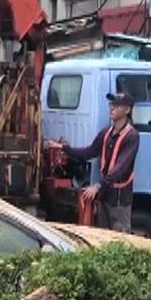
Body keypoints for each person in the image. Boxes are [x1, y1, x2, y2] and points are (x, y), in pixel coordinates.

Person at [47, 92, 140, 232]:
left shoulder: (132, 136)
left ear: (127, 110)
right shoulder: (106, 133)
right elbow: (89, 152)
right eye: (111, 104)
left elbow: (120, 168)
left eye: (116, 105)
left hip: (119, 199)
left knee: (120, 239)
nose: (112, 108)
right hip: (105, 196)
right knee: (102, 237)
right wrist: (64, 148)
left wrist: (97, 186)